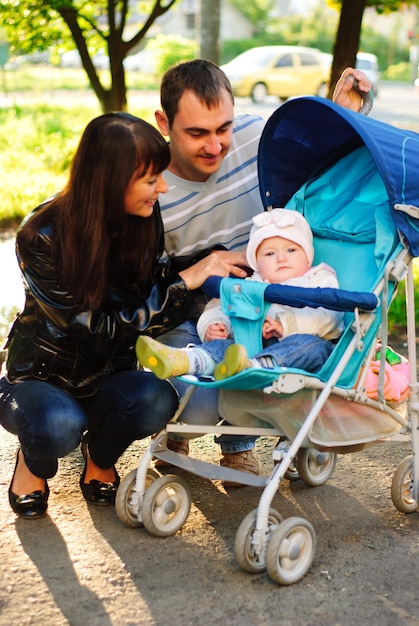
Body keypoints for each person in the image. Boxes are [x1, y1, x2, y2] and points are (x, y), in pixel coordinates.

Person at [0, 112, 238, 519]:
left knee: (157, 398)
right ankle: (34, 461)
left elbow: (150, 279)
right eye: (150, 180)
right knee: (59, 423)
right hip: (44, 378)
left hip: (109, 374)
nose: (162, 188)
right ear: (110, 185)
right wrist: (185, 282)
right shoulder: (40, 236)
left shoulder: (142, 217)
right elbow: (97, 331)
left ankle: (100, 455)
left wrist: (209, 262)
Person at [151, 59, 372, 478]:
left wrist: (343, 108)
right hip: (195, 306)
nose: (215, 145)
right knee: (200, 396)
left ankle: (239, 442)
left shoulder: (254, 136)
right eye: (197, 132)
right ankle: (178, 429)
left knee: (250, 363)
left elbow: (322, 166)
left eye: (223, 128)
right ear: (164, 122)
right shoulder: (153, 186)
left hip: (261, 294)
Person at [137, 208, 344, 381]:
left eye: (291, 250)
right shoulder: (250, 284)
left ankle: (254, 366)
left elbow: (329, 317)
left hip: (304, 350)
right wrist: (215, 326)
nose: (281, 258)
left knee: (310, 347)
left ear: (308, 256)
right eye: (270, 253)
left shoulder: (319, 278)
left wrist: (285, 326)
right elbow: (219, 307)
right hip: (250, 347)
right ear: (256, 262)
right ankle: (188, 360)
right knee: (226, 347)